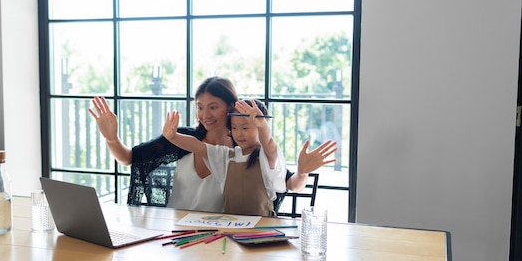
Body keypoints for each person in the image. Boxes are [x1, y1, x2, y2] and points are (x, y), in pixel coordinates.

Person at [88, 76, 338, 212]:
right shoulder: (185, 139)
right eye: (199, 107)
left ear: (232, 107)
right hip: (174, 231)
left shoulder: (249, 149)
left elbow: (287, 184)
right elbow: (129, 158)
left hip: (222, 239)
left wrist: (304, 171)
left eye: (213, 107)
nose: (205, 115)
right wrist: (111, 137)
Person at [162, 99, 286, 216]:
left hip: (262, 229)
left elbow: (268, 142)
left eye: (245, 128)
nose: (239, 133)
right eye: (234, 128)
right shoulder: (226, 157)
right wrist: (173, 137)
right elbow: (198, 146)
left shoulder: (266, 157)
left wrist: (262, 125)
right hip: (230, 226)